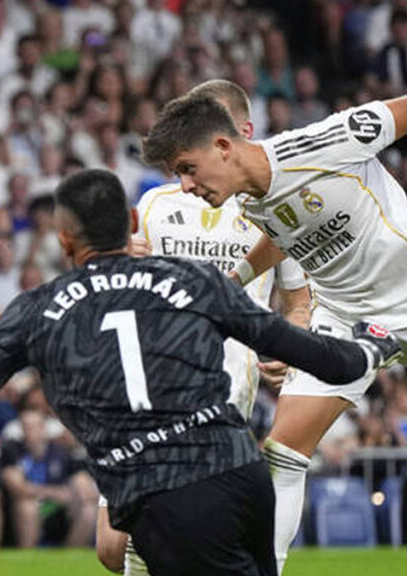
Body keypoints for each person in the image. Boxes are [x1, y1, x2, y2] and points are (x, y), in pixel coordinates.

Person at [0, 169, 401, 576]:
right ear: (133, 225)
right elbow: (311, 352)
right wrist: (374, 347)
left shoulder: (37, 311)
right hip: (242, 477)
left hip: (164, 496)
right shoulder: (193, 280)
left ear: (63, 240)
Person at [142, 90, 407, 574]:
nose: (185, 186)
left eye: (188, 169)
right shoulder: (248, 199)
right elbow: (284, 232)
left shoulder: (321, 143)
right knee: (284, 450)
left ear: (223, 147)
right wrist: (234, 281)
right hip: (343, 315)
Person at [98, 79, 312, 575]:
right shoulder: (155, 205)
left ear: (240, 133)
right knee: (111, 547)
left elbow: (298, 303)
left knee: (165, 526)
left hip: (225, 384)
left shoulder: (272, 208)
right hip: (146, 377)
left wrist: (293, 346)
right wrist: (120, 264)